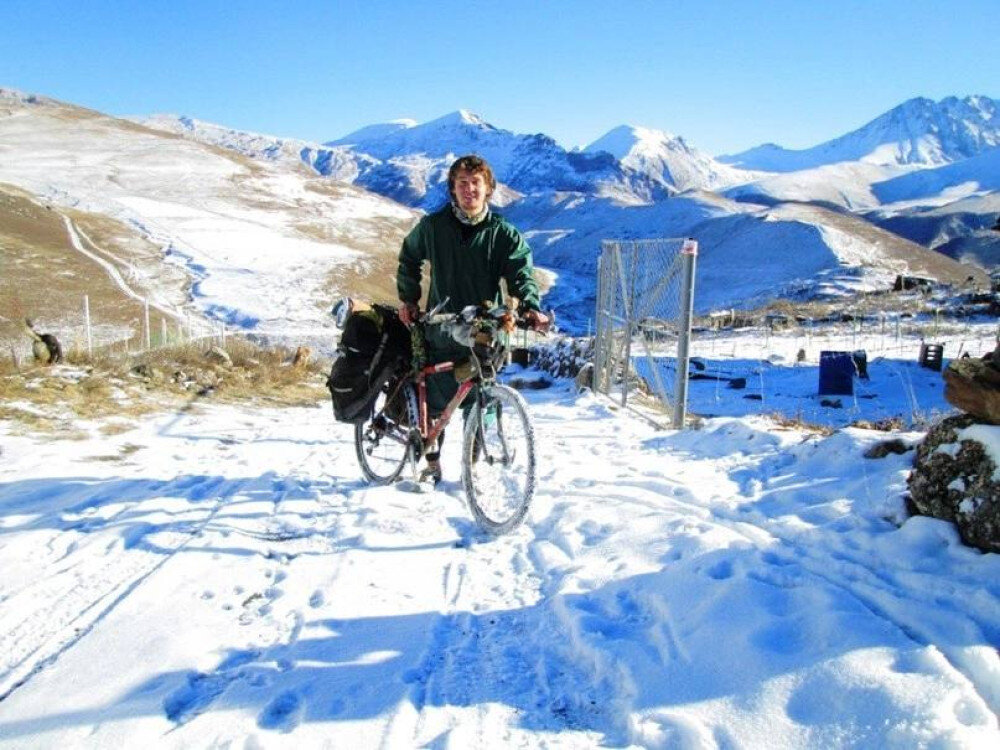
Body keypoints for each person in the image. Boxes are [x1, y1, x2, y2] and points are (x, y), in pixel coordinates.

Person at [397, 154, 549, 483]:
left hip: (486, 331)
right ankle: (430, 461)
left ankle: (474, 466)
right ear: (452, 190)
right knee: (436, 400)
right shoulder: (433, 227)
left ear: (489, 189)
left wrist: (530, 306)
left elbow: (521, 274)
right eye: (462, 184)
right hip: (442, 330)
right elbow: (409, 256)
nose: (469, 190)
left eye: (476, 183)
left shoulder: (503, 234)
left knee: (483, 399)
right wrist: (408, 298)